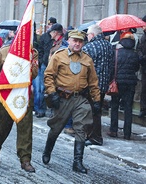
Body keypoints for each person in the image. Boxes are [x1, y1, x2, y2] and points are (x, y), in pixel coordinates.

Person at [42, 30, 101, 174]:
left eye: (80, 41)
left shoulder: (87, 59)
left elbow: (93, 82)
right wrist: (52, 93)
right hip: (62, 99)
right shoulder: (58, 56)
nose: (77, 44)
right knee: (56, 128)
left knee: (81, 128)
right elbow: (48, 76)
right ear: (68, 40)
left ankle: (77, 162)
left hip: (80, 99)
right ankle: (47, 150)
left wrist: (97, 100)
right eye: (74, 40)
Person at [0, 40, 38, 173]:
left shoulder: (33, 52)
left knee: (25, 128)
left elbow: (35, 74)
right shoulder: (4, 51)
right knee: (2, 125)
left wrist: (30, 61)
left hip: (23, 95)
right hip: (5, 95)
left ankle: (25, 159)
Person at [82, 24, 114, 146]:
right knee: (97, 110)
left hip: (91, 86)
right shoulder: (109, 46)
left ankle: (94, 137)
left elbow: (84, 68)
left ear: (92, 35)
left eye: (88, 35)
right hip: (104, 84)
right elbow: (112, 66)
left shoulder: (89, 47)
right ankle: (93, 136)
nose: (87, 37)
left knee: (90, 112)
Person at [107, 32, 140, 140]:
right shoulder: (135, 54)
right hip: (130, 83)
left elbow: (112, 67)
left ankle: (113, 130)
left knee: (115, 106)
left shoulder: (116, 52)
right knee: (128, 108)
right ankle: (127, 133)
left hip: (118, 82)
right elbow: (136, 68)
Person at [35, 17, 57, 118]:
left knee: (49, 88)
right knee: (40, 88)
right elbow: (40, 50)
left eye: (52, 24)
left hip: (52, 65)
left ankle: (50, 109)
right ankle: (40, 109)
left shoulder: (57, 38)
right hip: (44, 64)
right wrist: (41, 60)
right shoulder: (44, 37)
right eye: (49, 25)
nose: (50, 26)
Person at [137, 15, 146, 118]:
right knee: (143, 89)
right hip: (144, 67)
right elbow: (139, 48)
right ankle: (143, 109)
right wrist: (140, 56)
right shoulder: (143, 36)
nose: (143, 27)